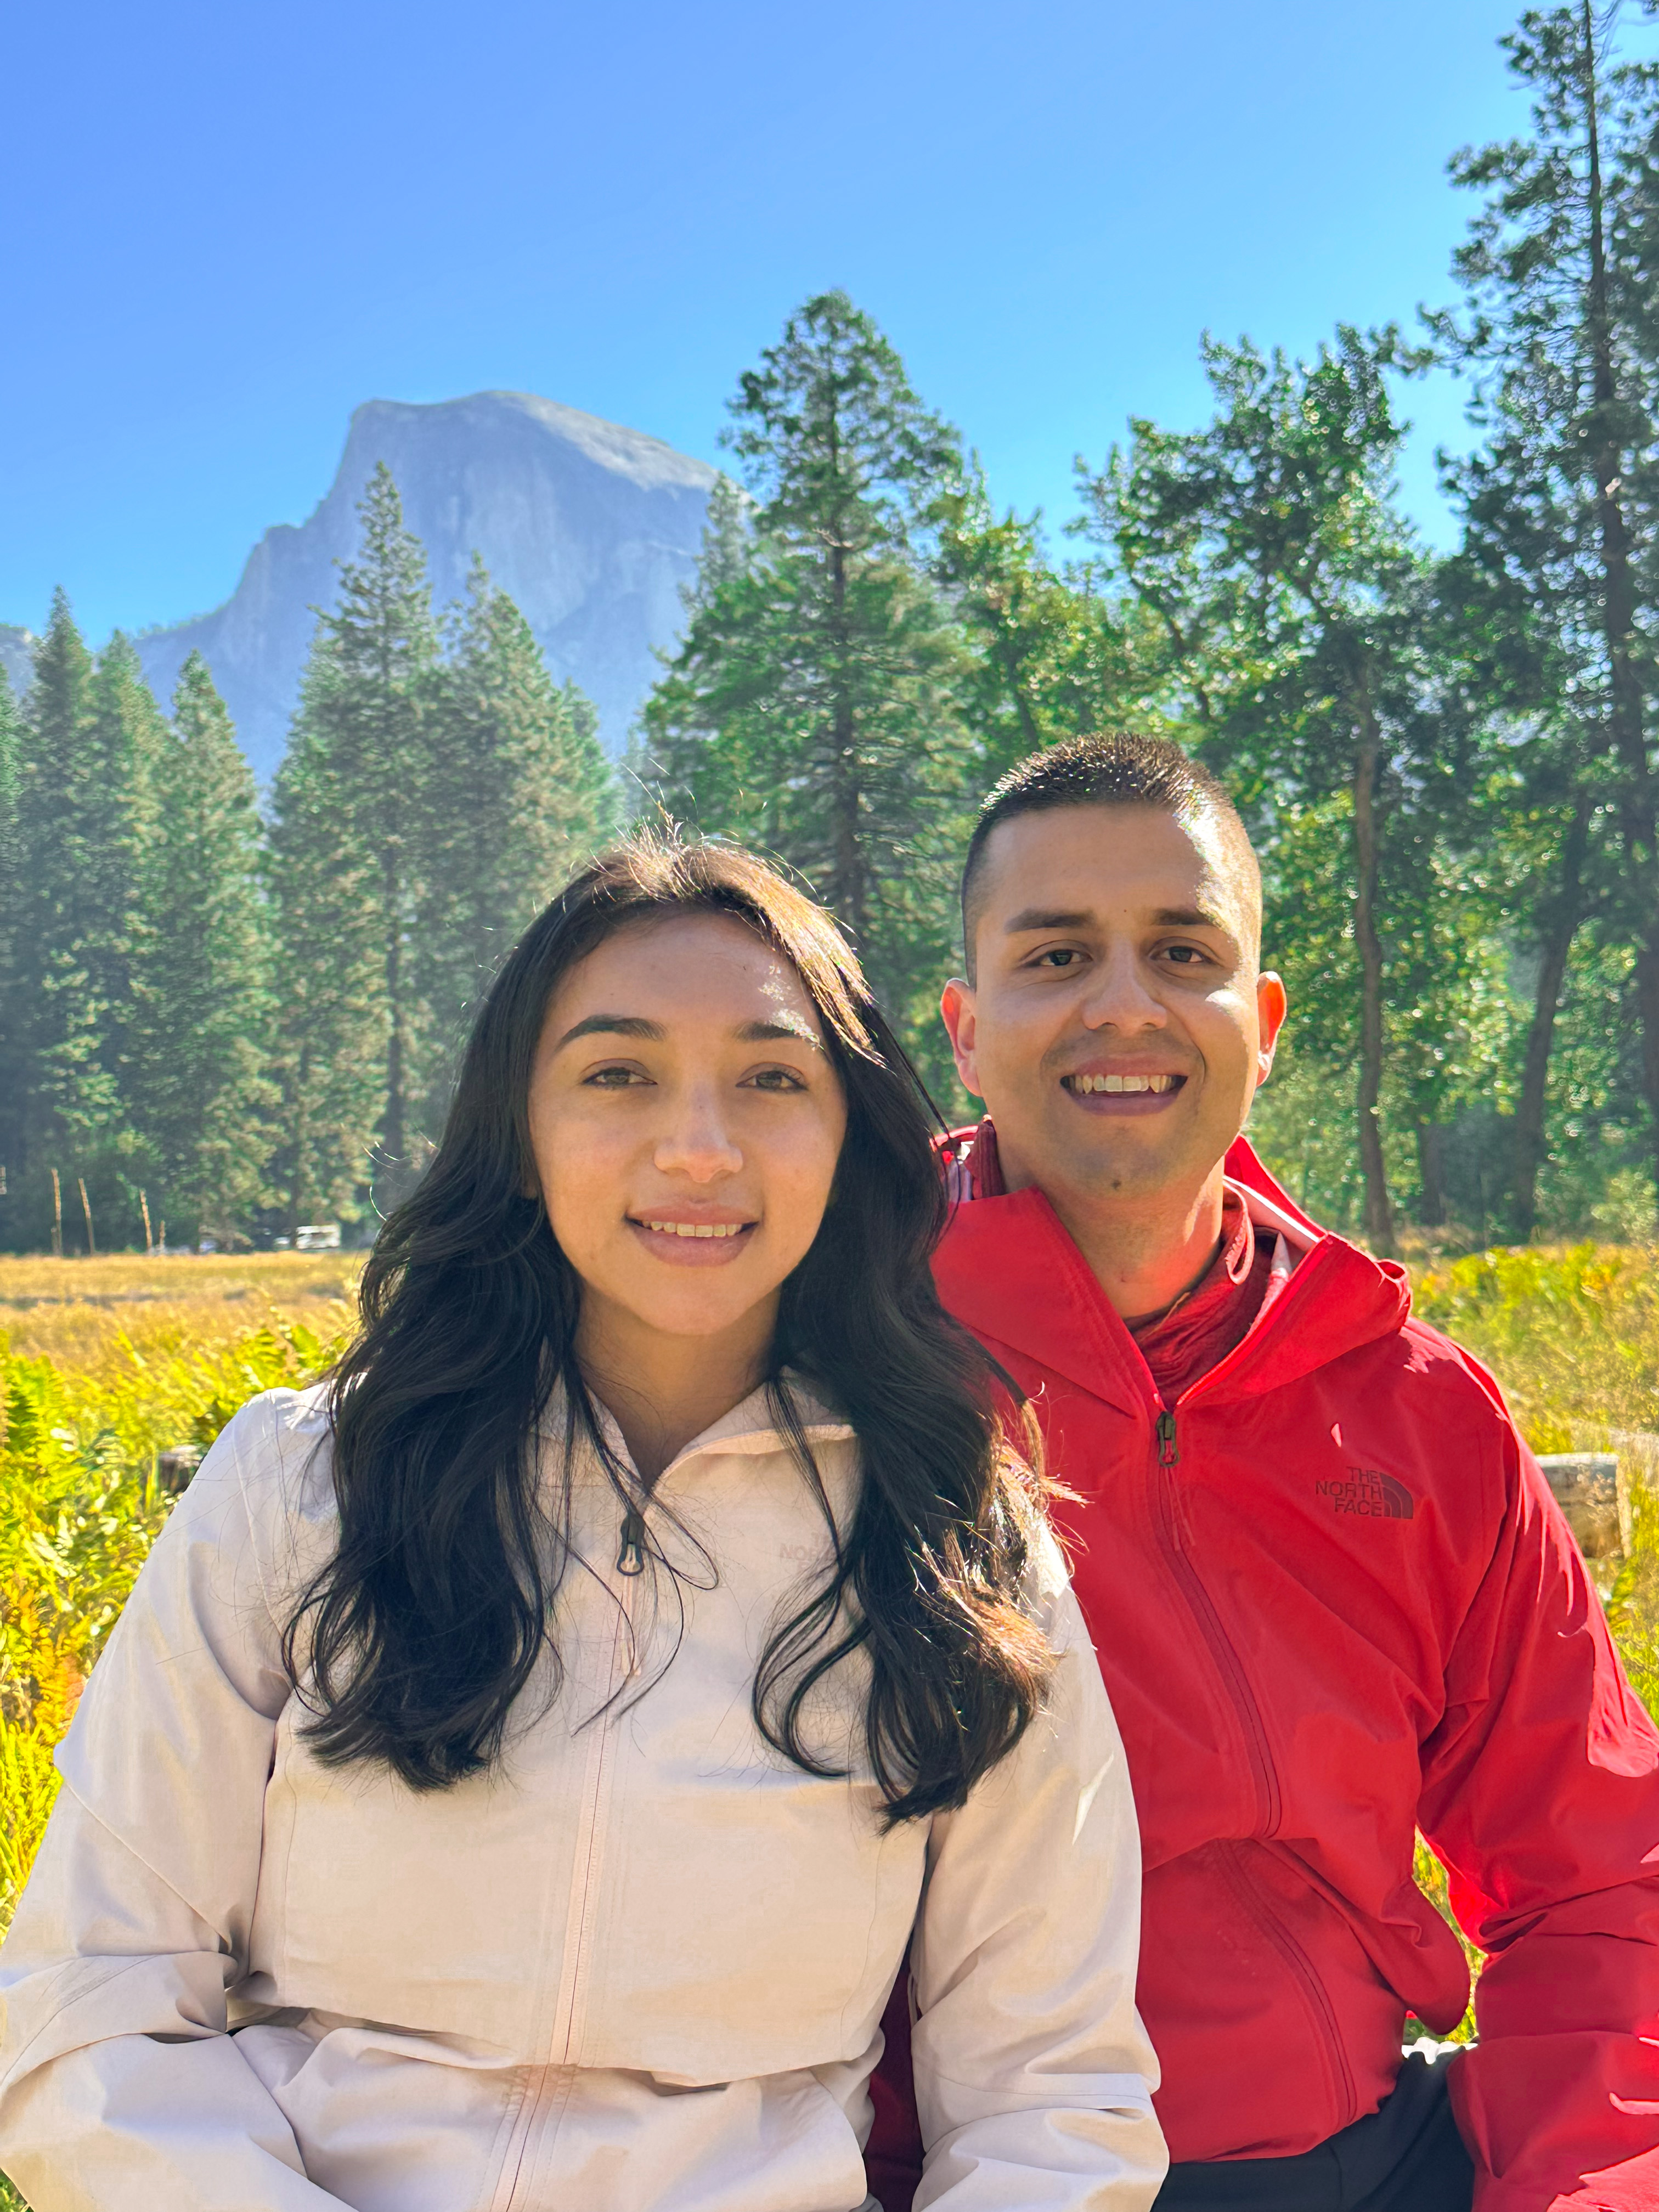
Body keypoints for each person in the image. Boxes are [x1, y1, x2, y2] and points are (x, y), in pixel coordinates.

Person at [0, 837, 1166, 2212]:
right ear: (520, 1126)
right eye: (617, 1073)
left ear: (850, 1137)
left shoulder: (957, 1548)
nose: (697, 1147)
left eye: (771, 1079)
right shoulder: (302, 1489)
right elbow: (93, 2008)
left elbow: (1051, 2102)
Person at [866, 734, 1659, 2212]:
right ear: (967, 1032)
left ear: (1265, 1017)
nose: (1123, 1004)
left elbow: (1598, 1876)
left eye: (1183, 950)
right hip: (946, 2181)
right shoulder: (832, 1373)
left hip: (1359, 2161)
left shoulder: (1419, 1412)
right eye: (1056, 956)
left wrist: (1574, 2195)